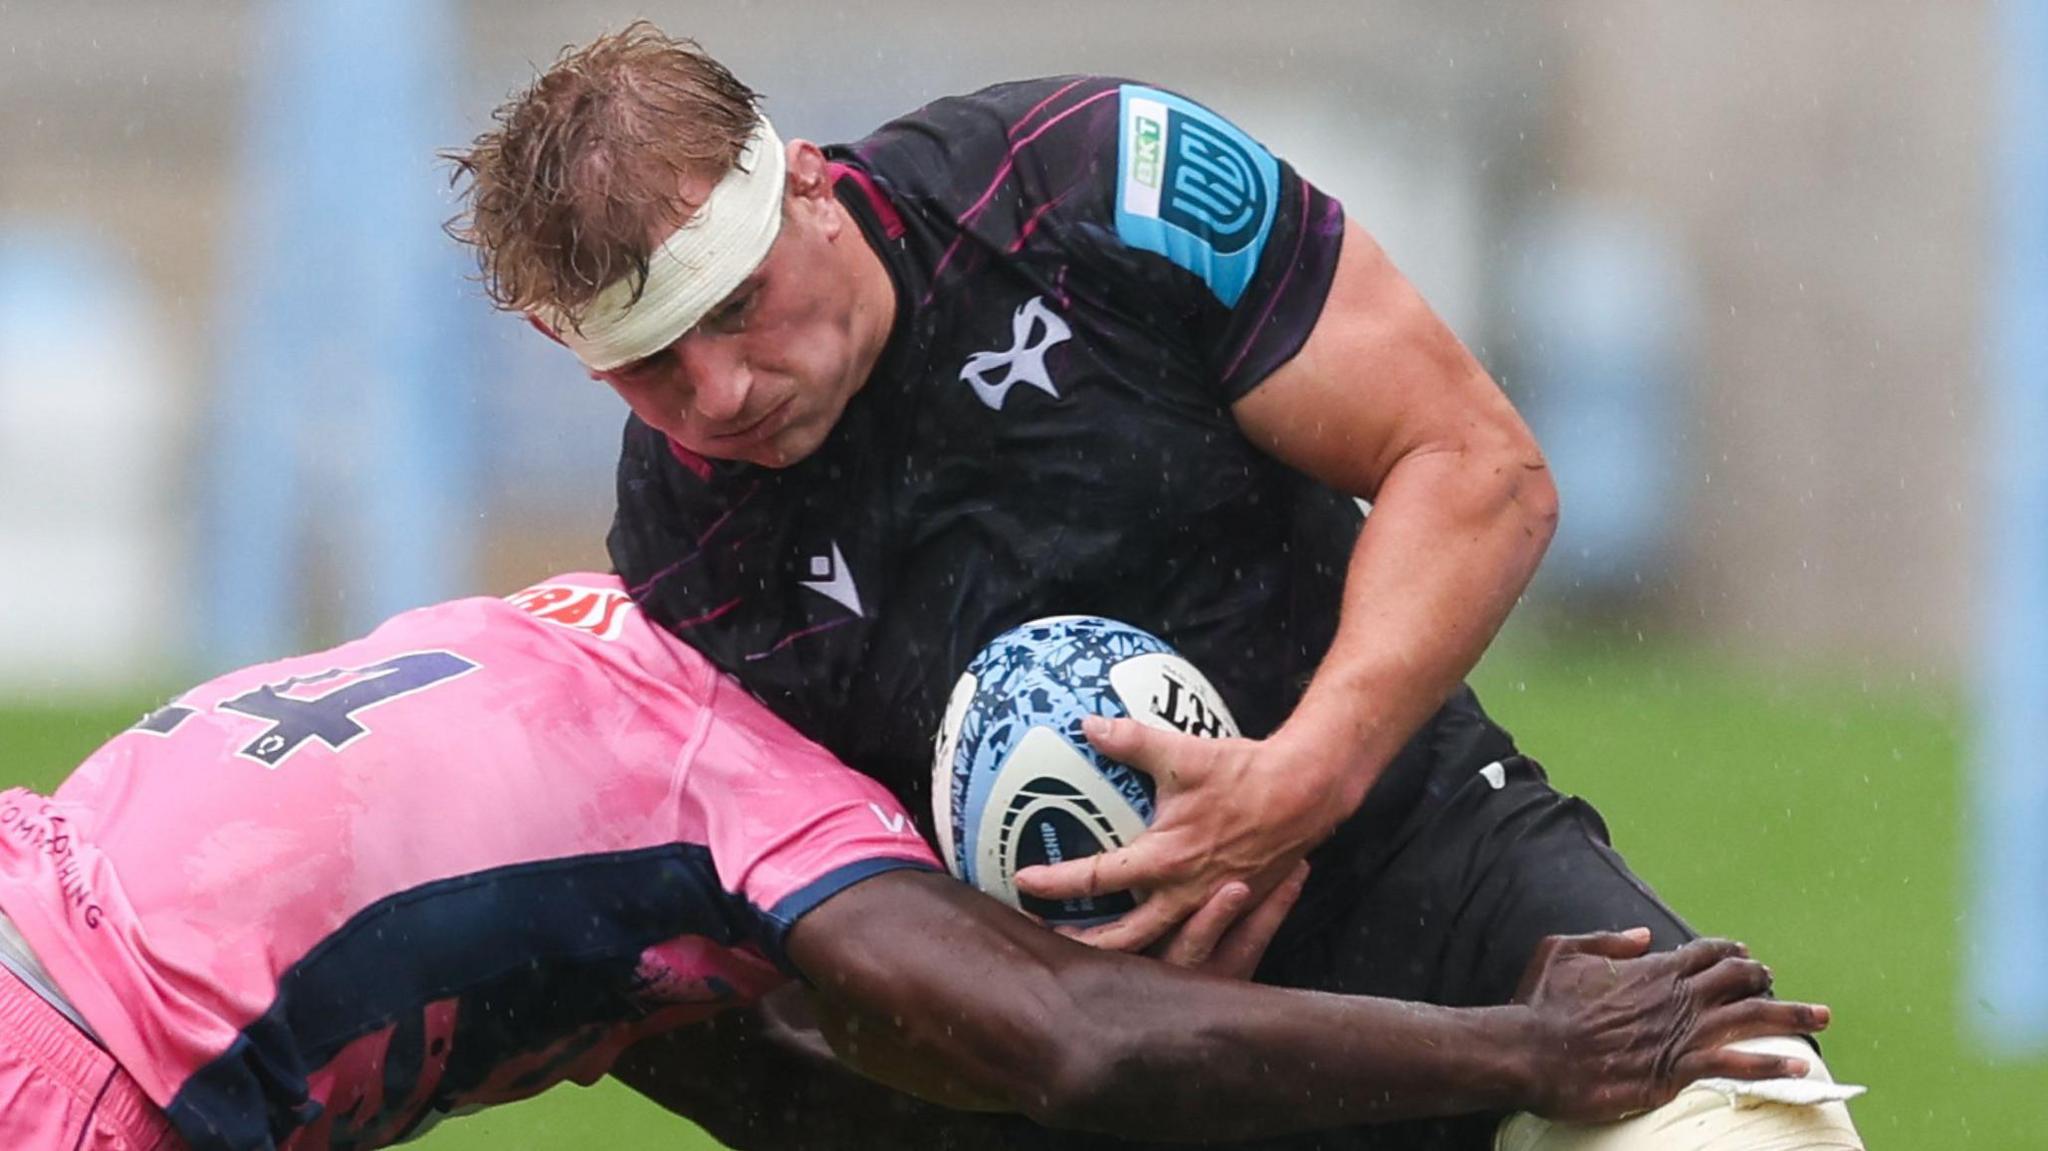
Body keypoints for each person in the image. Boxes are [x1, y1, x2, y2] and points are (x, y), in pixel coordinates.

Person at [445, 24, 1867, 1150]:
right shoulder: (684, 567)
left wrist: (1305, 775)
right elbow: (851, 989)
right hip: (1133, 1063)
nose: (721, 392)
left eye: (738, 307)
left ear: (807, 181)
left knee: (1754, 1128)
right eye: (648, 368)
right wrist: (1086, 1003)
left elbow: (1475, 464)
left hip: (1424, 861)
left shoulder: (1087, 183)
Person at [0, 572, 1815, 1151]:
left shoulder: (580, 630)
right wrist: (1526, 1055)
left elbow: (819, 1112)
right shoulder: (757, 800)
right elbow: (1069, 1036)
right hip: (85, 1073)